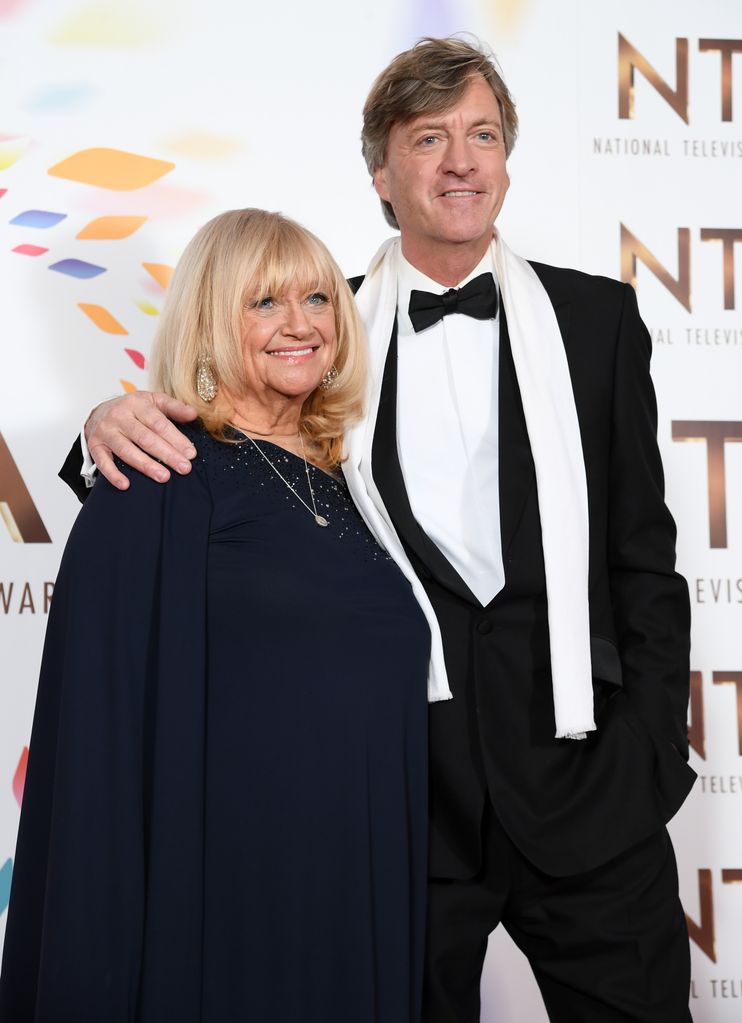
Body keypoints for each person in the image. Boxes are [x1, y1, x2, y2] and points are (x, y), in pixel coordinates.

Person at [53, 37, 695, 1023]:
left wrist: (647, 755)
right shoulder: (325, 327)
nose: (460, 162)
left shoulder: (597, 319)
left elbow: (643, 560)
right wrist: (100, 423)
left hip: (586, 795)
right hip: (403, 809)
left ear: (508, 161)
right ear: (380, 174)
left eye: (482, 135)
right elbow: (219, 437)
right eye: (428, 138)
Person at [0, 209, 439, 1023]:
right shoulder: (161, 473)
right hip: (231, 895)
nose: (301, 323)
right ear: (209, 319)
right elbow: (99, 735)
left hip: (358, 875)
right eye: (264, 303)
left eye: (316, 297)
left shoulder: (356, 477)